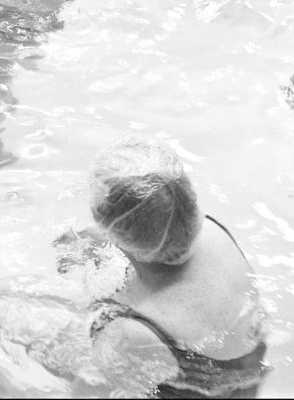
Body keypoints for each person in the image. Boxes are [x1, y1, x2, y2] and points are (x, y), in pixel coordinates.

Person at [84, 136, 267, 398]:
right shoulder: (214, 232)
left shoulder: (137, 331)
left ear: (117, 234)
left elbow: (87, 391)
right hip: (249, 377)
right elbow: (157, 225)